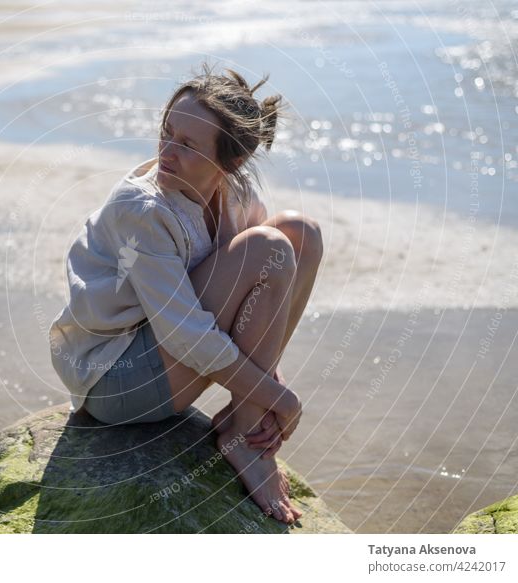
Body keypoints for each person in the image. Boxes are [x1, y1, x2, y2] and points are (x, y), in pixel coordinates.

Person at [49, 62, 323, 525]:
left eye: (188, 144)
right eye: (167, 132)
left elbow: (263, 299)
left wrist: (265, 387)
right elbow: (186, 336)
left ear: (230, 161)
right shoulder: (143, 208)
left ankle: (243, 425)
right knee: (271, 247)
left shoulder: (236, 190)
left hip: (165, 355)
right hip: (115, 379)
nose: (167, 153)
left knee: (301, 234)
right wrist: (279, 400)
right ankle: (247, 440)